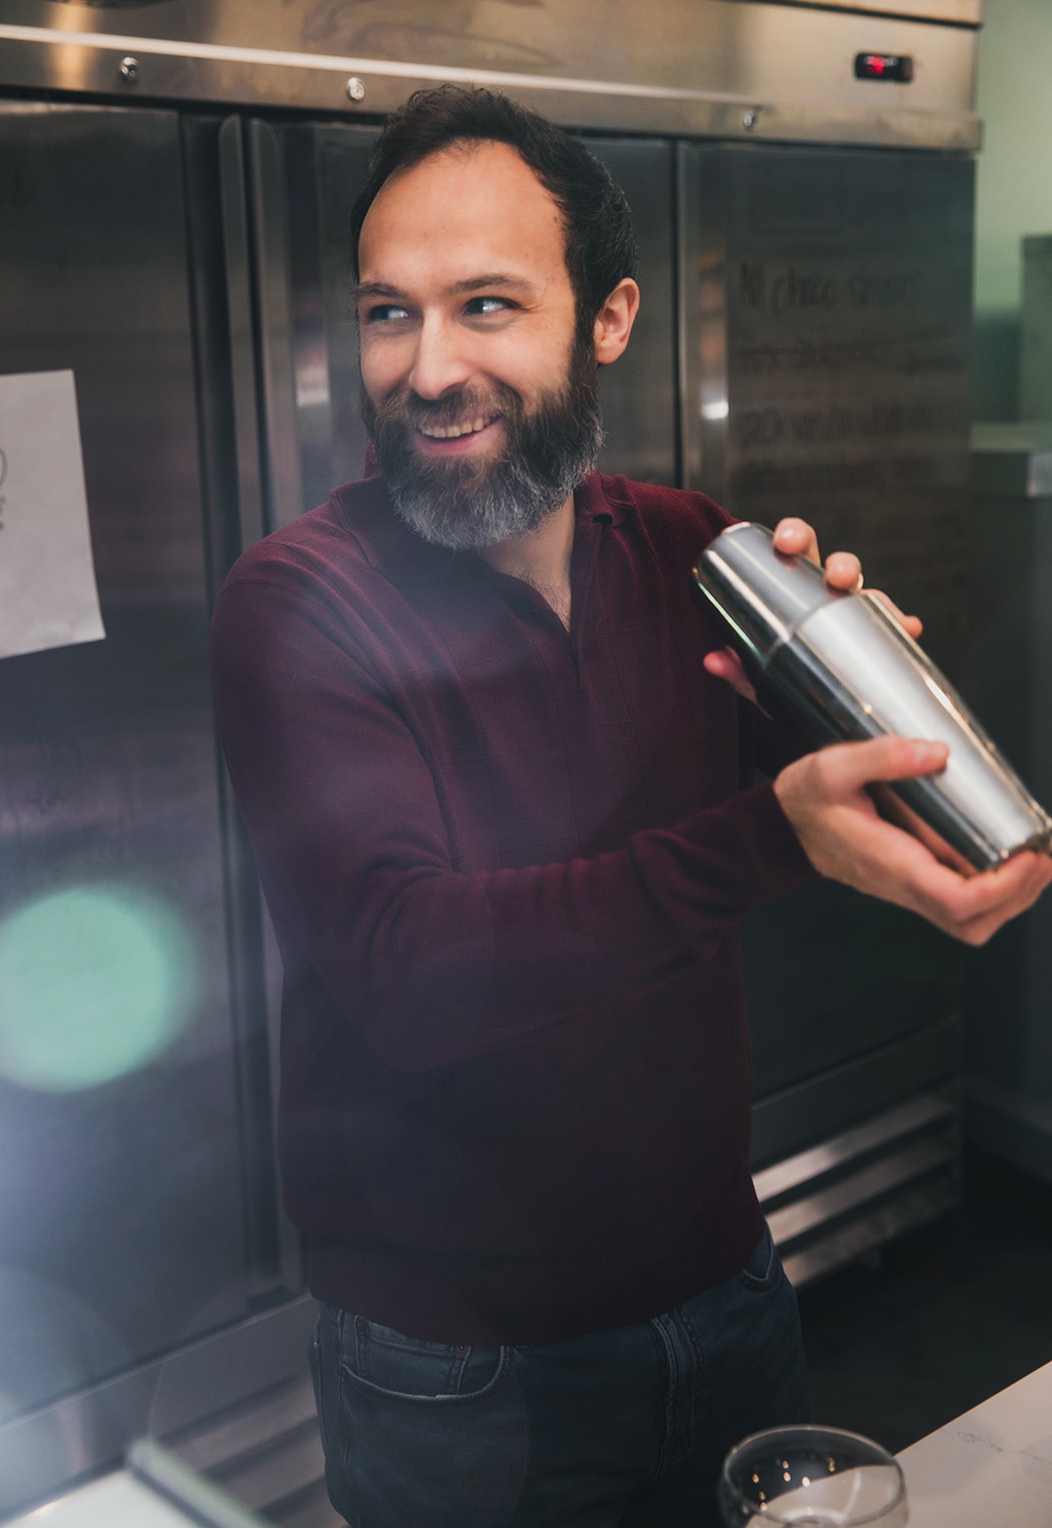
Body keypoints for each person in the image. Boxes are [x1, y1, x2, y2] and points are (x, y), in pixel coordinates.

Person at [210, 87, 1052, 1528]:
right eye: (387, 314)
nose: (427, 368)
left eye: (485, 306)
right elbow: (409, 970)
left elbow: (803, 827)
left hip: (721, 1278)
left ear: (606, 320)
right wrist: (767, 832)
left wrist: (889, 754)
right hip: (453, 1361)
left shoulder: (680, 546)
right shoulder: (297, 605)